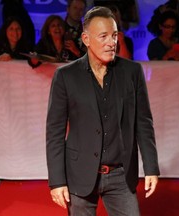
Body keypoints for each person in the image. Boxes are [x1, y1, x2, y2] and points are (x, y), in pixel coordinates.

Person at [46, 6, 160, 215]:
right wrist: (57, 181)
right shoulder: (65, 76)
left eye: (115, 35)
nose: (111, 42)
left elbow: (143, 122)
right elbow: (54, 132)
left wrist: (151, 166)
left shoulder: (132, 72)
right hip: (79, 172)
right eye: (104, 36)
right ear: (86, 39)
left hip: (121, 174)